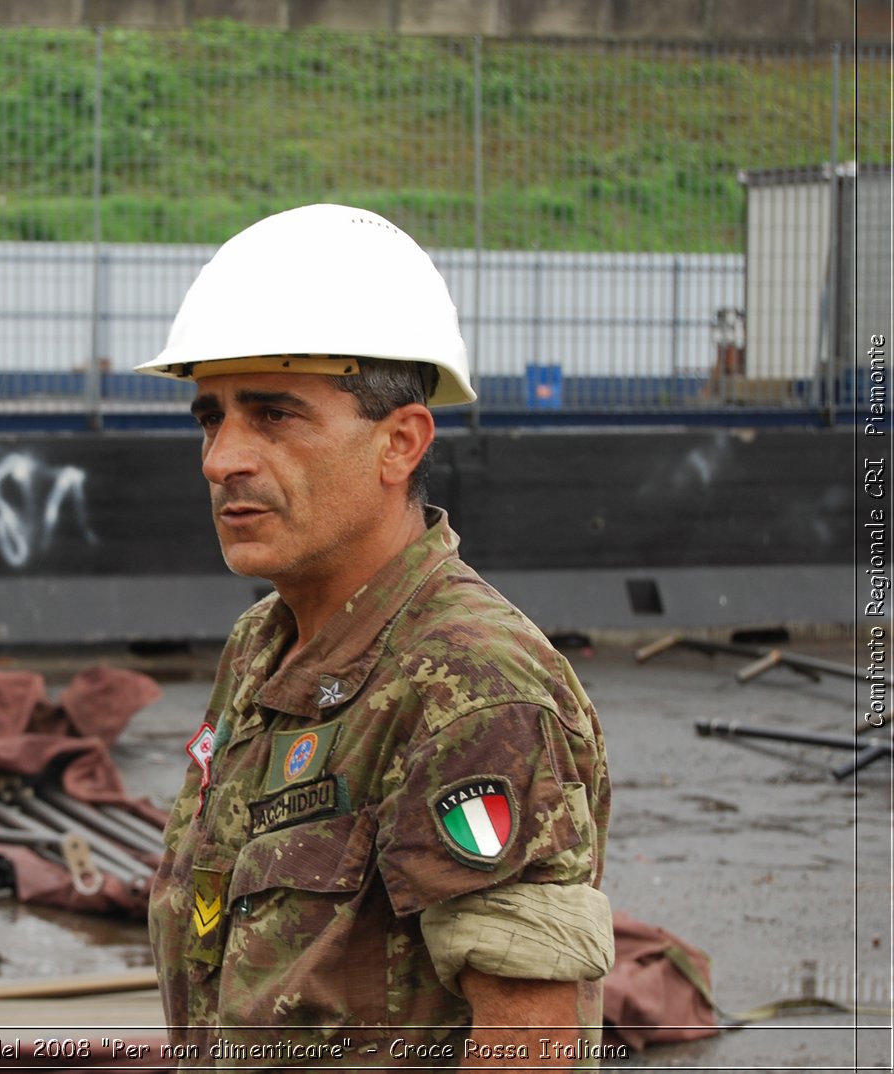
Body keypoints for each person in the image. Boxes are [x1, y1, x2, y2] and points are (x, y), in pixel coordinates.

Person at [138, 204, 612, 1068]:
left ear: (400, 444)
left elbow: (530, 1039)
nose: (220, 459)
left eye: (273, 416)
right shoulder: (263, 646)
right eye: (212, 417)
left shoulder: (470, 686)